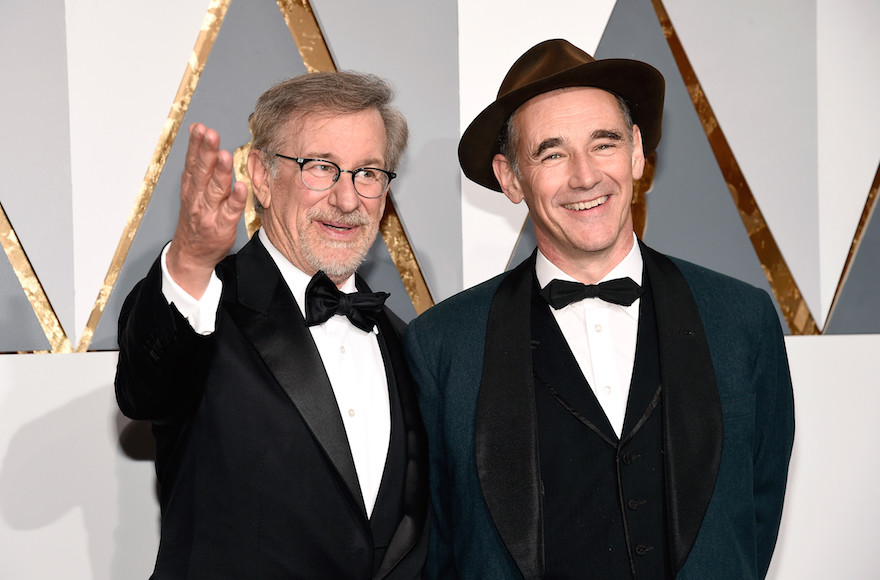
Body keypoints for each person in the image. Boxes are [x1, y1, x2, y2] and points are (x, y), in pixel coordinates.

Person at [404, 39, 794, 579]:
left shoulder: (741, 319)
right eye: (552, 153)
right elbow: (442, 546)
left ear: (636, 152)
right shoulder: (443, 345)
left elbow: (753, 517)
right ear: (510, 177)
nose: (586, 176)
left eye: (604, 144)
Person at [115, 71, 428, 579]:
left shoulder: (404, 339)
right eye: (321, 167)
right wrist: (192, 263)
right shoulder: (207, 306)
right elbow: (144, 391)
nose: (348, 201)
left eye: (368, 172)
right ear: (260, 174)